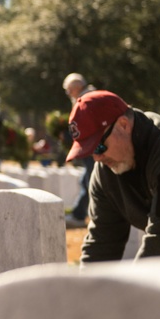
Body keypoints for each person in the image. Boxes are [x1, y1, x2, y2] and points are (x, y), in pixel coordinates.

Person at [67, 90, 160, 261]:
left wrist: (130, 287)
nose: (97, 158)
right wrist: (88, 287)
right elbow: (102, 243)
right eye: (90, 151)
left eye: (99, 147)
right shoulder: (105, 171)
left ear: (123, 124)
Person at [63, 72, 97, 228]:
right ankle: (79, 212)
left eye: (69, 90)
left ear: (76, 87)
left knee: (91, 180)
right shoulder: (86, 97)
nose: (68, 93)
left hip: (93, 147)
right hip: (91, 147)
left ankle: (79, 214)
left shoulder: (86, 100)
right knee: (86, 180)